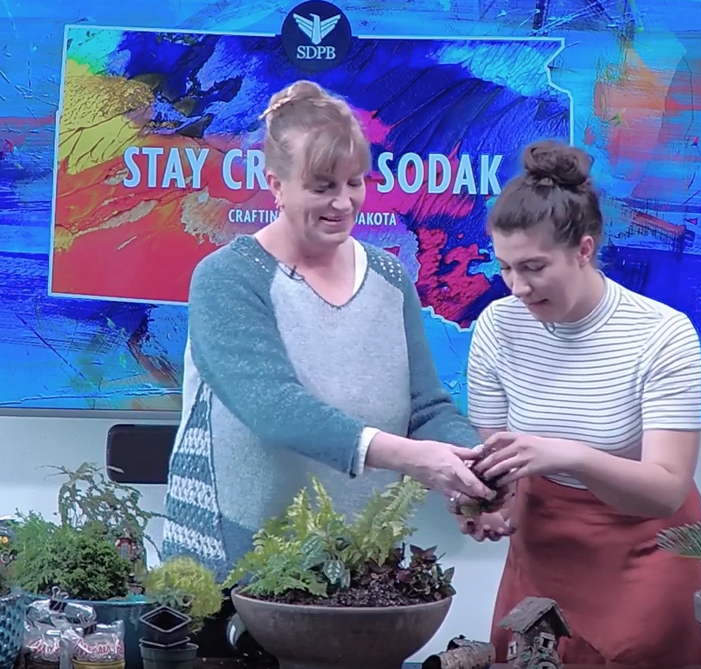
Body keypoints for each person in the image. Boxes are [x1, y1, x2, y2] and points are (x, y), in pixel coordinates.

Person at [160, 80, 494, 580]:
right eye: (322, 187)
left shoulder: (390, 277)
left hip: (361, 561)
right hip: (238, 562)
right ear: (276, 184)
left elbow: (426, 407)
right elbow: (274, 409)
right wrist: (414, 459)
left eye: (354, 182)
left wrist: (472, 476)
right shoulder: (227, 278)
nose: (343, 203)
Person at [454, 139, 701, 666]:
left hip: (646, 553)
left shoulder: (662, 335)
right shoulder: (497, 327)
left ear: (584, 250)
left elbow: (666, 490)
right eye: (505, 267)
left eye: (533, 267)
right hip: (543, 550)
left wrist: (568, 455)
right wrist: (490, 504)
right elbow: (502, 463)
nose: (517, 287)